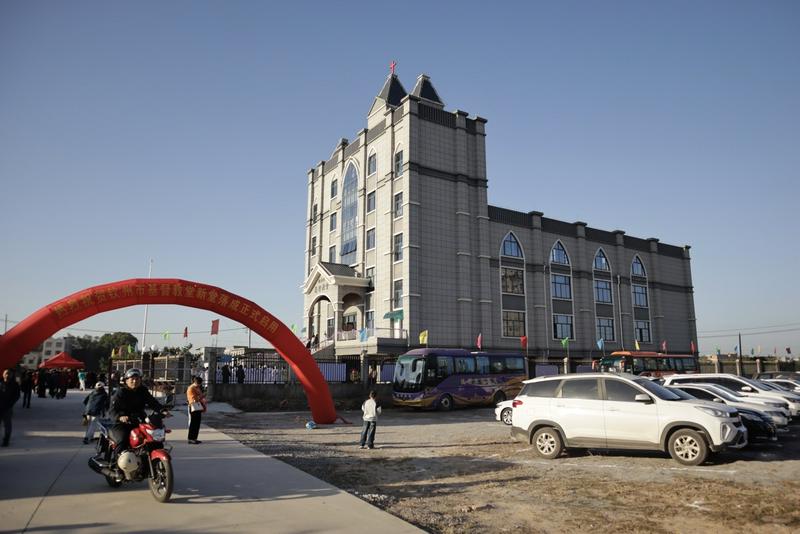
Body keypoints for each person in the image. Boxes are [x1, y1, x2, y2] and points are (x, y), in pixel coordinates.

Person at [108, 368, 165, 452]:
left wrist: (162, 410)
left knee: (153, 438)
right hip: (122, 423)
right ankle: (115, 461)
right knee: (123, 439)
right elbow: (112, 410)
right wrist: (120, 417)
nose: (135, 381)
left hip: (139, 420)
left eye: (137, 378)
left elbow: (152, 402)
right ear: (126, 381)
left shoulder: (143, 390)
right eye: (132, 379)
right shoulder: (120, 393)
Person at [1, 369, 21, 447]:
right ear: (3, 374)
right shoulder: (0, 383)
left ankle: (6, 440)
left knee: (7, 425)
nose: (7, 375)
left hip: (7, 408)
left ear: (12, 375)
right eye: (6, 373)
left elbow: (17, 396)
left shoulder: (15, 385)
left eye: (9, 374)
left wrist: (10, 404)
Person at [186, 376, 207, 444]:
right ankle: (191, 438)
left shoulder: (197, 388)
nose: (199, 385)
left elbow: (199, 396)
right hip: (193, 406)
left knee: (197, 423)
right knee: (193, 424)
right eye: (198, 383)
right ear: (195, 382)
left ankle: (195, 438)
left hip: (198, 407)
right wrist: (202, 396)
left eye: (200, 383)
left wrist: (202, 396)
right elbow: (193, 399)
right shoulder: (191, 388)